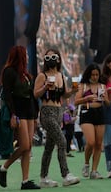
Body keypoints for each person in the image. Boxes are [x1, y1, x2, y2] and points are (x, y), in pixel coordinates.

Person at [0, 45, 40, 189]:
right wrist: (13, 114)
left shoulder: (26, 74)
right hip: (18, 110)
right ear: (19, 56)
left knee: (28, 147)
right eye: (25, 54)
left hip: (30, 111)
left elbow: (31, 95)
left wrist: (36, 114)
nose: (27, 56)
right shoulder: (9, 71)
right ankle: (3, 168)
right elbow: (7, 95)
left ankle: (25, 181)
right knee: (24, 145)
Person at [33, 48, 80, 187]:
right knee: (62, 141)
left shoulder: (61, 75)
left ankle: (43, 178)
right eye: (47, 57)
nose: (51, 60)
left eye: (53, 57)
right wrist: (45, 88)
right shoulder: (42, 76)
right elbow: (35, 94)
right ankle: (66, 175)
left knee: (49, 147)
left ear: (58, 59)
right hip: (47, 112)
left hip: (59, 111)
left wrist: (73, 91)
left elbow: (64, 95)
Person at [74, 63, 108, 179]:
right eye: (93, 74)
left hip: (100, 112)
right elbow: (76, 101)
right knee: (91, 141)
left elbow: (107, 102)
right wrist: (86, 98)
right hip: (87, 112)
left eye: (97, 75)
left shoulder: (103, 86)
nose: (95, 77)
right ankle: (86, 163)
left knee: (99, 143)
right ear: (88, 74)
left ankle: (94, 170)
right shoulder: (83, 85)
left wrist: (106, 98)